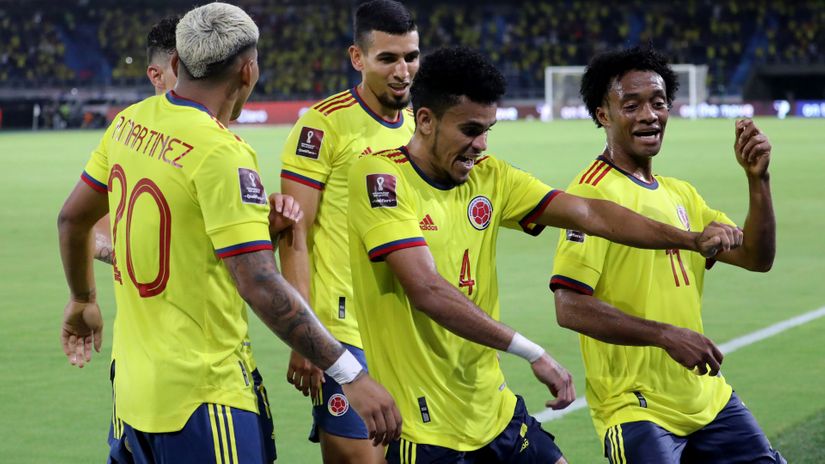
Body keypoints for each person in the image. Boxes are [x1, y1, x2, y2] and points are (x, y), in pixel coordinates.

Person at [346, 46, 741, 464]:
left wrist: (688, 239)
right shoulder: (380, 176)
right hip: (425, 430)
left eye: (488, 131)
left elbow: (590, 213)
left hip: (494, 411)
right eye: (469, 130)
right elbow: (427, 290)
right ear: (425, 120)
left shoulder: (491, 176)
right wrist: (532, 352)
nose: (480, 145)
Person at [57, 3, 401, 463]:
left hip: (133, 395)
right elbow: (258, 282)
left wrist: (83, 299)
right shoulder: (222, 153)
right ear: (249, 71)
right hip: (203, 396)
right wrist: (349, 373)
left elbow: (72, 219)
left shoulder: (130, 122)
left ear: (177, 65)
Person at [550, 46, 784, 463]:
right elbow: (569, 307)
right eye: (632, 104)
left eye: (658, 103)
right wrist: (665, 334)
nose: (649, 115)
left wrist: (758, 180)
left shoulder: (681, 193)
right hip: (636, 409)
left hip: (708, 398)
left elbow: (756, 257)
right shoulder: (590, 194)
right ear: (603, 115)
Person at [276, 1, 418, 461]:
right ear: (357, 58)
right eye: (388, 59)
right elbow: (292, 234)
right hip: (342, 333)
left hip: (405, 328)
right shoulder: (323, 125)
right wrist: (305, 336)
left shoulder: (420, 125)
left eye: (411, 57)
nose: (403, 71)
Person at [93, 15, 180, 265]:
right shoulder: (213, 143)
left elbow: (77, 221)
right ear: (156, 76)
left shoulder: (124, 124)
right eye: (187, 71)